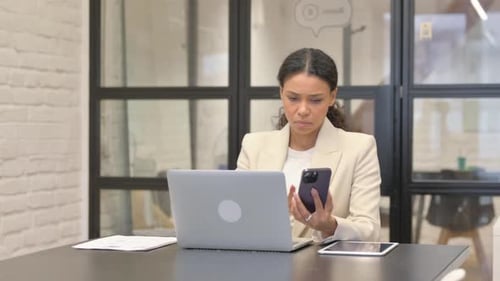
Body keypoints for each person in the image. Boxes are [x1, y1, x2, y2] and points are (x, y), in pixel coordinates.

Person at [236, 48, 381, 242]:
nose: (303, 110)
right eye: (293, 98)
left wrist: (329, 225)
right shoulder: (253, 146)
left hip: (326, 269)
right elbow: (237, 215)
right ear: (281, 93)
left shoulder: (359, 148)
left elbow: (369, 230)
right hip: (262, 265)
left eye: (315, 100)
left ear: (332, 97)